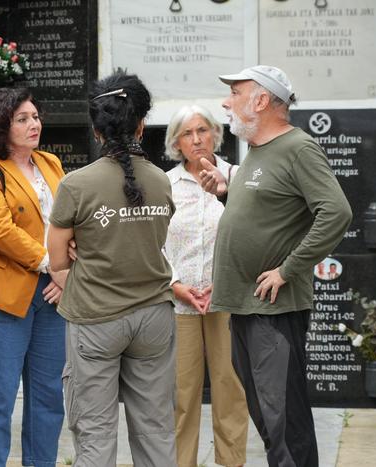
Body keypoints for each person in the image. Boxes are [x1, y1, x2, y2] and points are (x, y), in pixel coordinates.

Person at [199, 65, 352, 466]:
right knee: (268, 419)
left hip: (274, 310)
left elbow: (335, 212)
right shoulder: (258, 151)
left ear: (261, 100)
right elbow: (267, 217)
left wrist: (288, 269)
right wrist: (225, 193)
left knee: (285, 421)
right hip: (247, 306)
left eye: (235, 92)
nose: (225, 102)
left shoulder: (298, 148)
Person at [47, 72, 177, 466]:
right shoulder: (161, 181)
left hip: (96, 318)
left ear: (96, 128)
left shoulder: (76, 185)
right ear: (140, 124)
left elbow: (56, 262)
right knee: (156, 430)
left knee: (95, 432)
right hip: (154, 316)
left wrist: (81, 263)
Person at [0, 87, 67, 467]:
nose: (33, 124)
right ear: (1, 125)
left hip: (56, 295)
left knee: (48, 398)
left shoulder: (51, 163)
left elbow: (70, 220)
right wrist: (50, 262)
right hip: (6, 297)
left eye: (35, 117)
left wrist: (67, 267)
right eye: (22, 119)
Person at [163, 105, 248, 467]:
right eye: (187, 133)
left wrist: (222, 281)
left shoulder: (239, 176)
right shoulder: (164, 184)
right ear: (176, 143)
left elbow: (249, 236)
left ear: (215, 133)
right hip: (180, 302)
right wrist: (174, 284)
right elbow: (155, 243)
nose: (196, 139)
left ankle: (231, 462)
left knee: (230, 388)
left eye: (202, 130)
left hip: (225, 299)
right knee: (182, 393)